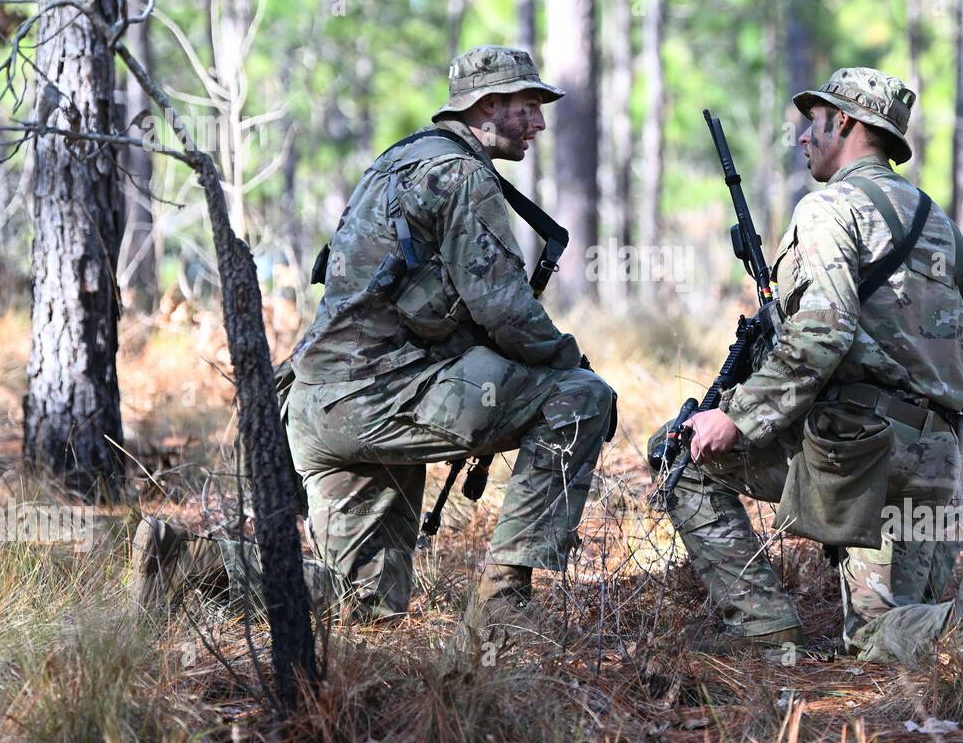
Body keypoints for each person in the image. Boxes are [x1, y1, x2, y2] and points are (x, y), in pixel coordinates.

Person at [133, 45, 616, 622]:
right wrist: (570, 363)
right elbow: (507, 311)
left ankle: (188, 564)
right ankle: (503, 608)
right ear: (487, 106)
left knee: (363, 608)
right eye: (526, 106)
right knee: (582, 398)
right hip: (385, 398)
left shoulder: (396, 163)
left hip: (318, 408)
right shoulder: (463, 175)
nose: (538, 122)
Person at [647, 66, 963, 662]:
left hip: (860, 453)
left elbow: (823, 332)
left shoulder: (830, 209)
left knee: (683, 458)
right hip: (938, 458)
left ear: (846, 123)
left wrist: (738, 418)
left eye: (813, 123)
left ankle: (769, 638)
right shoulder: (941, 225)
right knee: (883, 634)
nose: (805, 138)